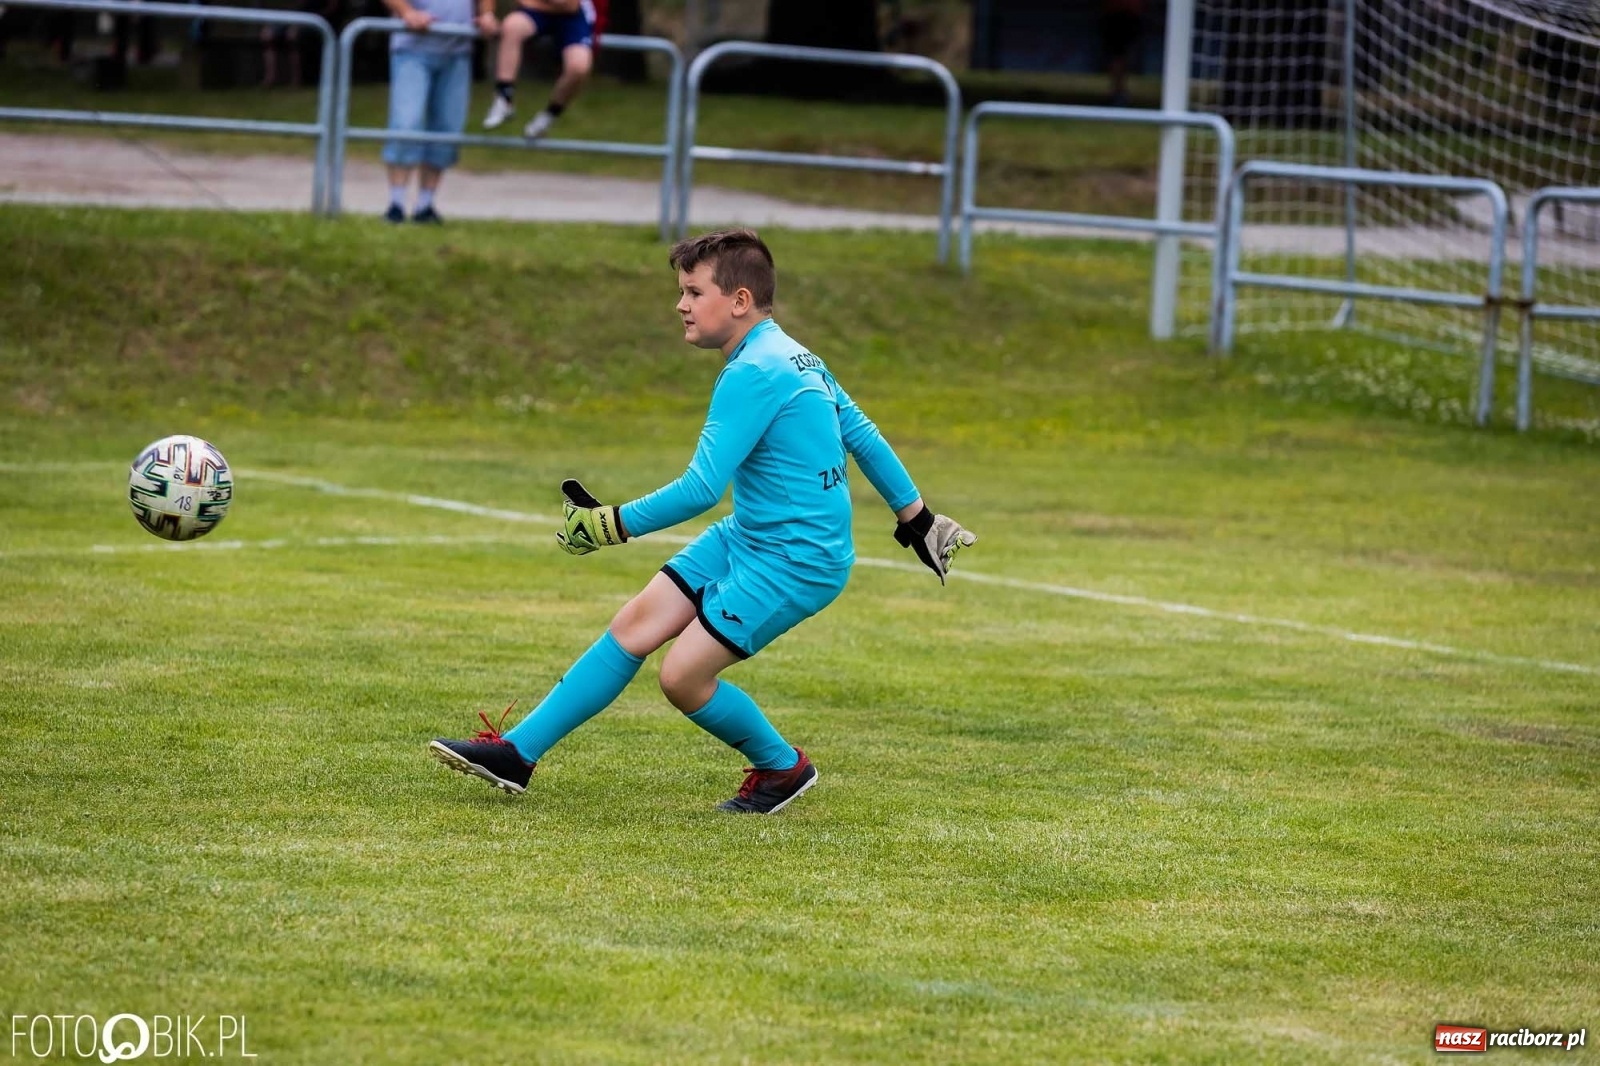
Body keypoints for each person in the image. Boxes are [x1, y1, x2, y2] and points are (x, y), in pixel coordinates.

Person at [429, 229, 977, 814]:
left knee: (682, 678)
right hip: (750, 537)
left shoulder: (754, 372)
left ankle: (782, 770)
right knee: (635, 626)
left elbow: (699, 490)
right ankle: (519, 754)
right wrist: (915, 517)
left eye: (693, 292)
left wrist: (609, 525)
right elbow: (861, 433)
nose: (681, 305)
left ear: (739, 301)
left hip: (797, 562)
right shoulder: (792, 352)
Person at [380, 0, 498, 222]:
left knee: (448, 127)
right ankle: (396, 204)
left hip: (457, 50)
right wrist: (407, 12)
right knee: (406, 123)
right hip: (412, 47)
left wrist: (487, 14)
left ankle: (425, 205)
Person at [480, 0, 604, 140]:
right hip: (539, 12)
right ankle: (504, 96)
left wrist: (533, 3)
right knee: (512, 26)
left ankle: (549, 116)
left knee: (578, 67)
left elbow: (569, 5)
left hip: (573, 17)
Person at [1100, 0, 1144, 107]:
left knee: (1120, 57)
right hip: (1119, 14)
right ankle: (1118, 91)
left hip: (1125, 14)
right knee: (1118, 57)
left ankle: (1118, 91)